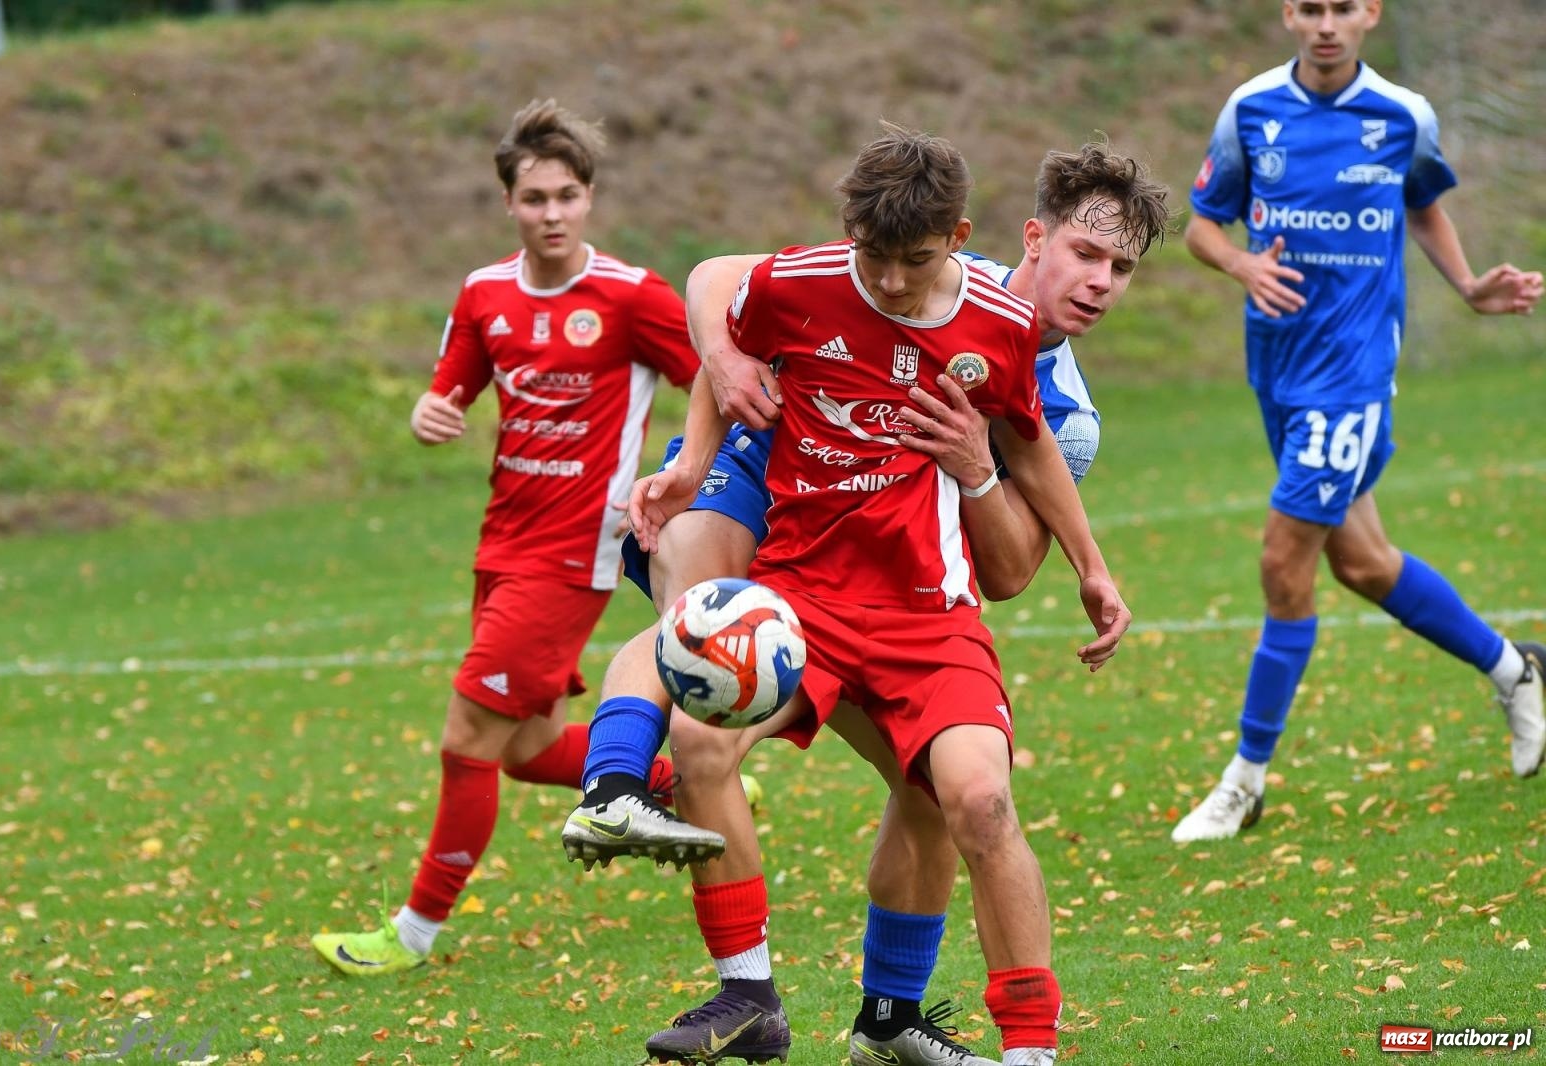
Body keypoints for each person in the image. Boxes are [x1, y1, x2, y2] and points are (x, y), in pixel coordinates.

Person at [570, 130, 1159, 1066]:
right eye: (1085, 254)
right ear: (1028, 239)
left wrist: (1072, 550)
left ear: (953, 240)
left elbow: (1021, 511)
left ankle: (995, 1044)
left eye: (1117, 267)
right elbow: (722, 285)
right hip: (799, 571)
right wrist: (696, 437)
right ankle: (740, 982)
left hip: (927, 610)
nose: (888, 281)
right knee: (699, 689)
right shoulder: (815, 280)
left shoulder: (1012, 349)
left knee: (972, 801)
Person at [309, 98, 699, 975]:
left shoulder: (634, 297)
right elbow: (448, 392)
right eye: (534, 199)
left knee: (465, 742)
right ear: (509, 203)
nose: (552, 214)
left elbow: (714, 383)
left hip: (573, 556)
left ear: (589, 198)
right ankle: (683, 783)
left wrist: (680, 474)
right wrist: (426, 413)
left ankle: (410, 937)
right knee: (522, 751)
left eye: (567, 195)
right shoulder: (485, 295)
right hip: (500, 548)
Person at [1170, 0, 1545, 844]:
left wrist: (1470, 286)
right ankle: (1514, 669)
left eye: (1344, 7)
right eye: (1312, 8)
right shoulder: (1251, 109)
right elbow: (1201, 226)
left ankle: (1244, 781)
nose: (1327, 24)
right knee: (1365, 563)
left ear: (1371, 13)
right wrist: (1239, 264)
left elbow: (1423, 208)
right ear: (1288, 16)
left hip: (1354, 374)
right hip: (1277, 369)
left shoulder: (1402, 115)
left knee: (1282, 560)